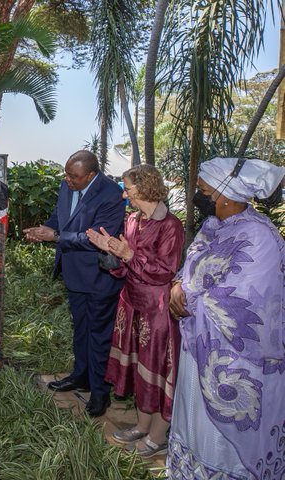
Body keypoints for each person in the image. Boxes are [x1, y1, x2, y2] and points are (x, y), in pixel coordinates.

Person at [167, 157, 285, 479]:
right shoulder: (212, 227)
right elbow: (192, 265)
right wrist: (178, 283)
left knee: (220, 443)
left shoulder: (260, 237)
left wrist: (186, 296)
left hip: (235, 360)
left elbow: (244, 303)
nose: (197, 193)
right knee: (194, 424)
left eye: (203, 189)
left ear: (226, 194)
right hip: (199, 348)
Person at [86, 165, 184, 457]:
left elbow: (164, 273)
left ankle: (158, 436)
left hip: (157, 309)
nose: (123, 192)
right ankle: (142, 426)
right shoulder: (132, 220)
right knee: (139, 369)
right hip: (131, 303)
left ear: (143, 188)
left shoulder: (171, 226)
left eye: (127, 187)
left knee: (157, 370)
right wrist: (110, 254)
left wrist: (127, 254)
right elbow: (124, 267)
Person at [23, 150, 125, 417]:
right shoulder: (66, 184)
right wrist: (43, 230)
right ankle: (81, 376)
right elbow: (61, 219)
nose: (68, 180)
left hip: (98, 276)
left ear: (91, 175)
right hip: (73, 272)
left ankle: (100, 392)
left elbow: (97, 237)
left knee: (99, 335)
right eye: (67, 173)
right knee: (80, 329)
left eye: (75, 176)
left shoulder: (111, 194)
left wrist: (55, 236)